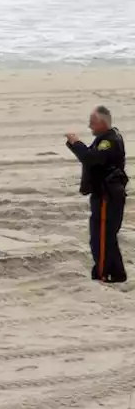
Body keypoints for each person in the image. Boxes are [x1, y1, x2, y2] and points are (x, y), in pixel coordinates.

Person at [66, 105, 127, 284]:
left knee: (101, 237)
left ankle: (103, 274)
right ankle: (117, 273)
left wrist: (76, 143)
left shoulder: (109, 141)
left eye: (93, 123)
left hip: (107, 195)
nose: (90, 126)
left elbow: (91, 160)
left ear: (102, 123)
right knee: (106, 235)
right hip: (107, 193)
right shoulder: (106, 138)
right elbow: (91, 157)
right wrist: (74, 145)